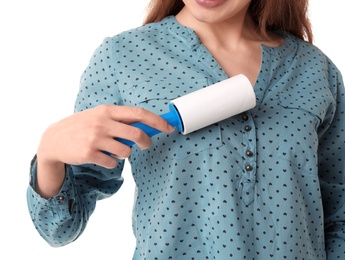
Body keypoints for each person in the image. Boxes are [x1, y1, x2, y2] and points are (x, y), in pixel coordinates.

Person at [27, 0, 345, 259]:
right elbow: (60, 228)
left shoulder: (315, 69)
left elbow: (339, 214)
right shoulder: (122, 57)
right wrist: (50, 154)